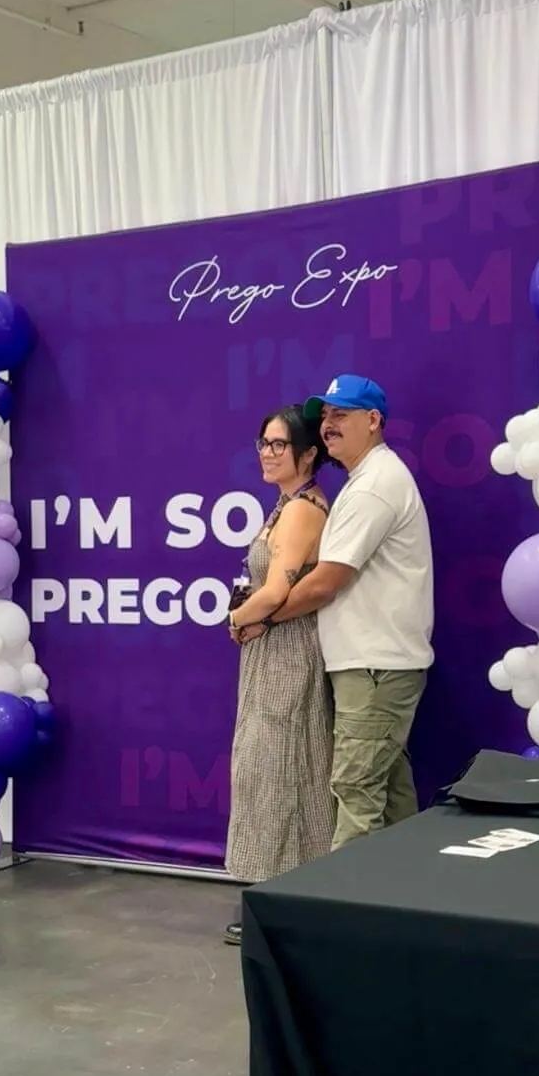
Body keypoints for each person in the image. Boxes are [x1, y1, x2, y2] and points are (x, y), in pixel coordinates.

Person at [238, 376, 433, 850]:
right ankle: (401, 906)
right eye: (325, 416)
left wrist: (261, 618)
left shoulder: (373, 487)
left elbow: (326, 580)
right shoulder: (364, 481)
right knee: (387, 796)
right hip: (374, 664)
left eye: (341, 415)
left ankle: (342, 919)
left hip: (374, 667)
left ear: (374, 421)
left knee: (356, 794)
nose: (328, 425)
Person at [223, 404, 336, 945]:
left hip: (289, 649)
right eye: (262, 443)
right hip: (272, 646)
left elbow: (276, 591)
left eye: (278, 444)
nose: (267, 453)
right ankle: (273, 896)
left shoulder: (302, 510)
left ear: (309, 453)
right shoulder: (286, 504)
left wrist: (237, 618)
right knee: (268, 768)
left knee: (283, 767)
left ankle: (281, 900)